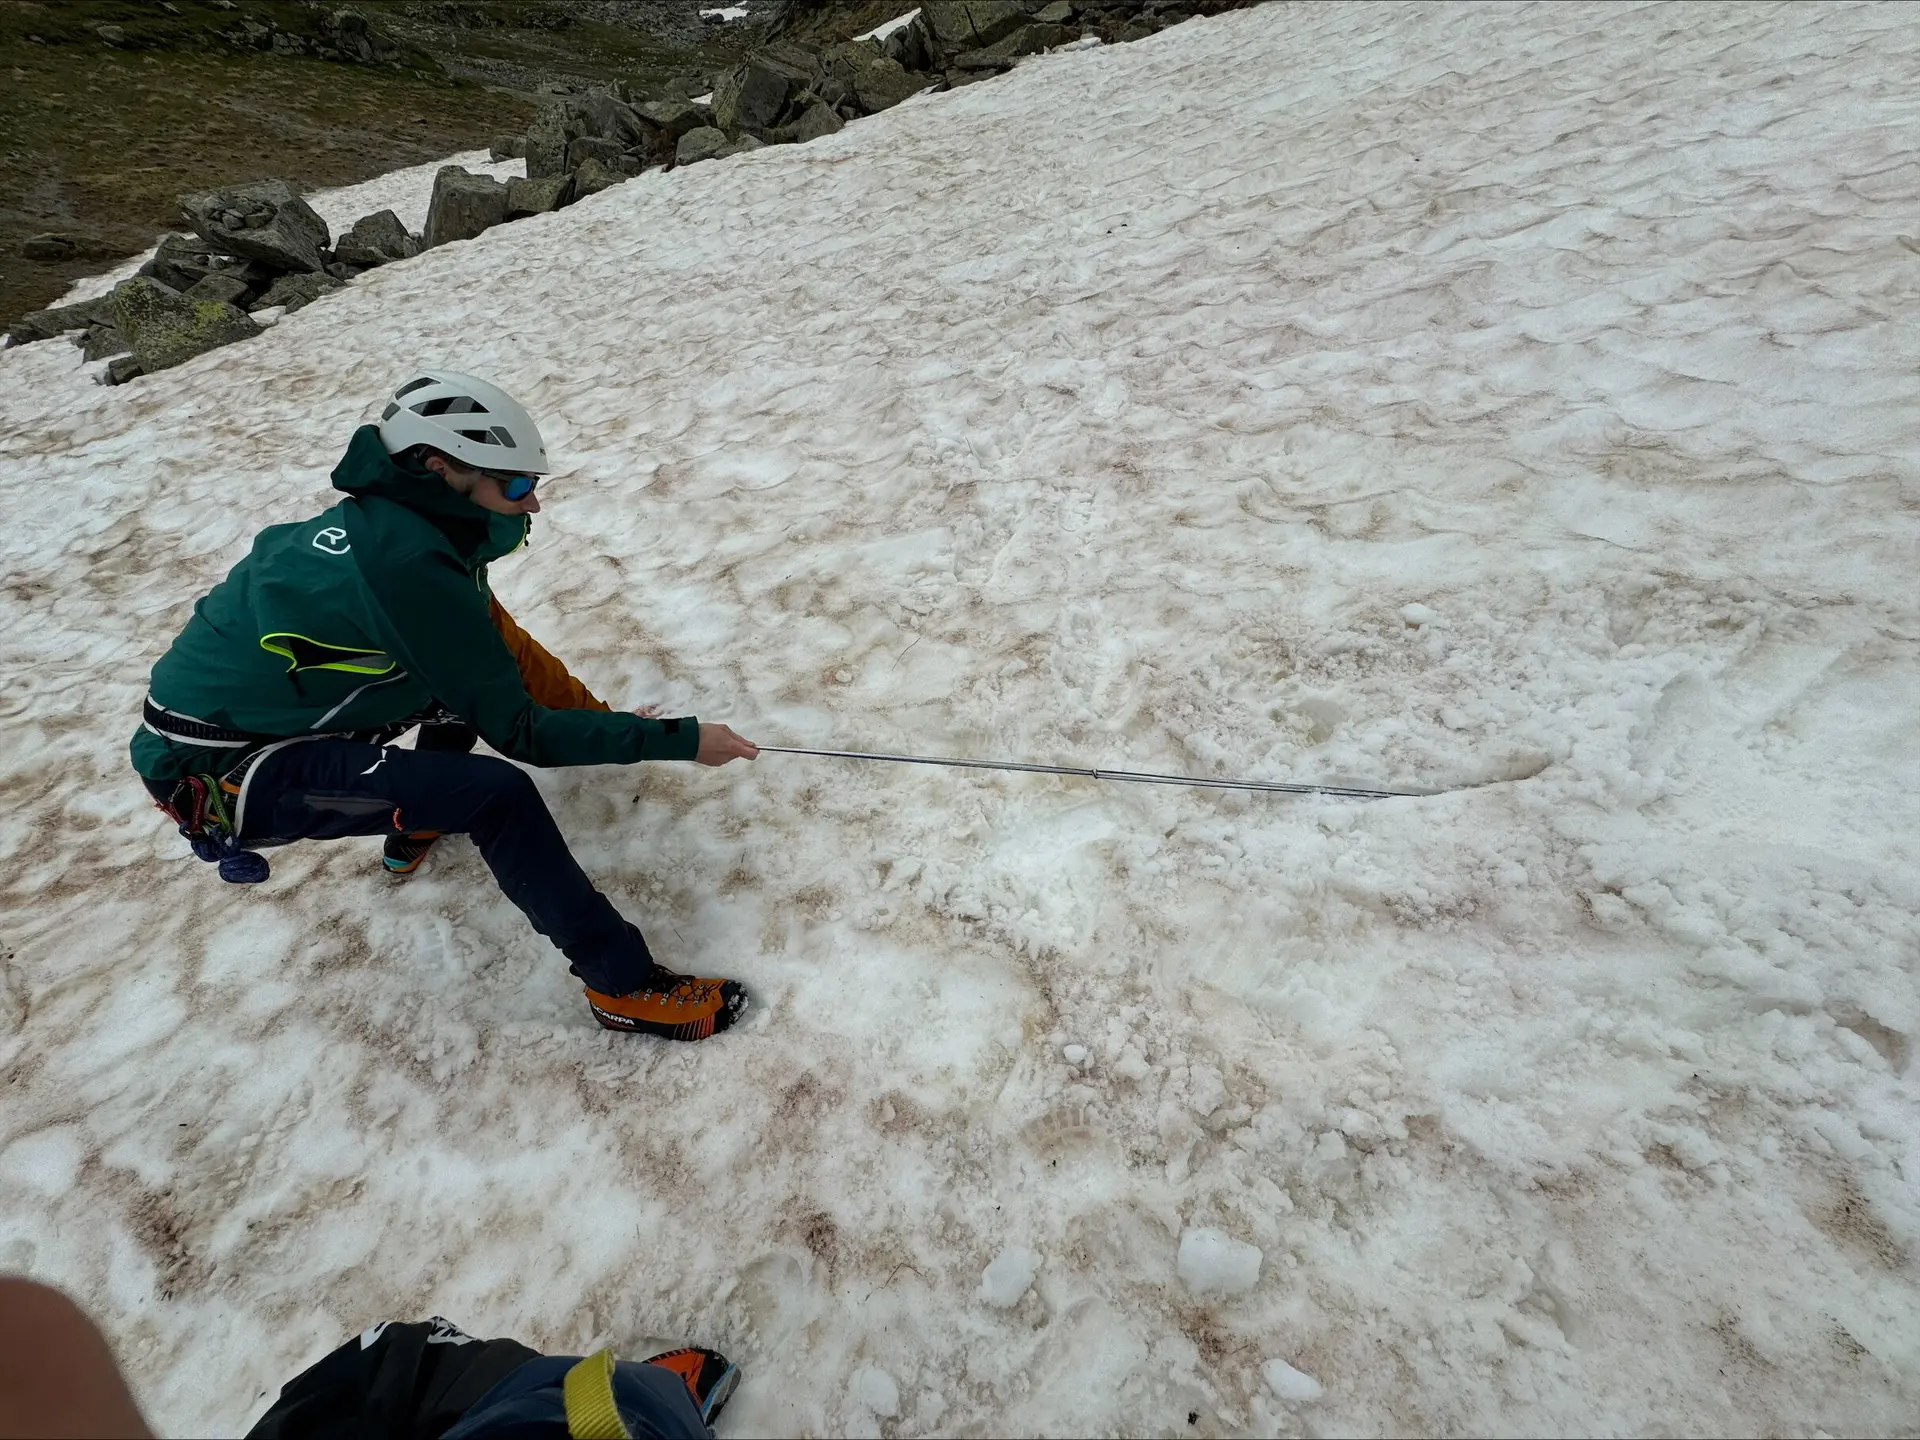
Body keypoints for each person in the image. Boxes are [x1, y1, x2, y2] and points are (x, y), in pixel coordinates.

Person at [131, 371, 758, 1041]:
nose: (533, 504)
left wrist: (609, 723)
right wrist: (680, 739)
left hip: (250, 723)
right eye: (516, 485)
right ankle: (623, 987)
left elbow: (502, 654)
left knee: (459, 690)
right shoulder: (408, 566)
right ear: (442, 467)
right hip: (223, 769)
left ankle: (414, 826)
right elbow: (523, 733)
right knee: (494, 794)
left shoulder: (414, 531)